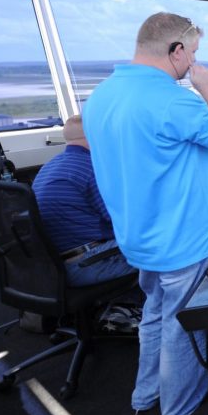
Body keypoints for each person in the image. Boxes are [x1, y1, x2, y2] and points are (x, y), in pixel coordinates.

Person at [83, 12, 208, 415]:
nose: (194, 63)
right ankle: (179, 406)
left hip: (138, 238)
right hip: (180, 240)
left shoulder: (101, 95)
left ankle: (146, 393)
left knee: (153, 314)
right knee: (180, 326)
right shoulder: (174, 99)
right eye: (192, 53)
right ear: (175, 51)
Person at [32, 115, 136, 287]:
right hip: (88, 262)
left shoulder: (49, 166)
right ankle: (166, 312)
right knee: (178, 248)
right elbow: (126, 222)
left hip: (55, 266)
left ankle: (125, 309)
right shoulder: (92, 168)